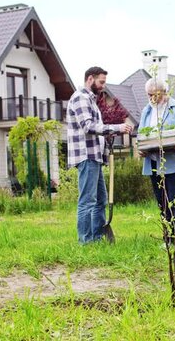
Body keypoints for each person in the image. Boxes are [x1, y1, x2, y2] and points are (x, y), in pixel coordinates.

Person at [67, 66, 133, 244]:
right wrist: (117, 128)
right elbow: (88, 127)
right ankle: (85, 241)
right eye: (101, 82)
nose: (103, 86)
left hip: (94, 156)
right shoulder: (80, 98)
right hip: (86, 155)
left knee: (100, 199)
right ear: (90, 79)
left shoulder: (91, 99)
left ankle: (96, 237)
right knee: (87, 201)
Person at [138, 78, 175, 246]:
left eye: (154, 94)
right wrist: (141, 148)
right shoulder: (146, 111)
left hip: (174, 163)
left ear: (163, 92)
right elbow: (141, 136)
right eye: (148, 95)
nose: (151, 98)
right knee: (162, 202)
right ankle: (169, 239)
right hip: (154, 163)